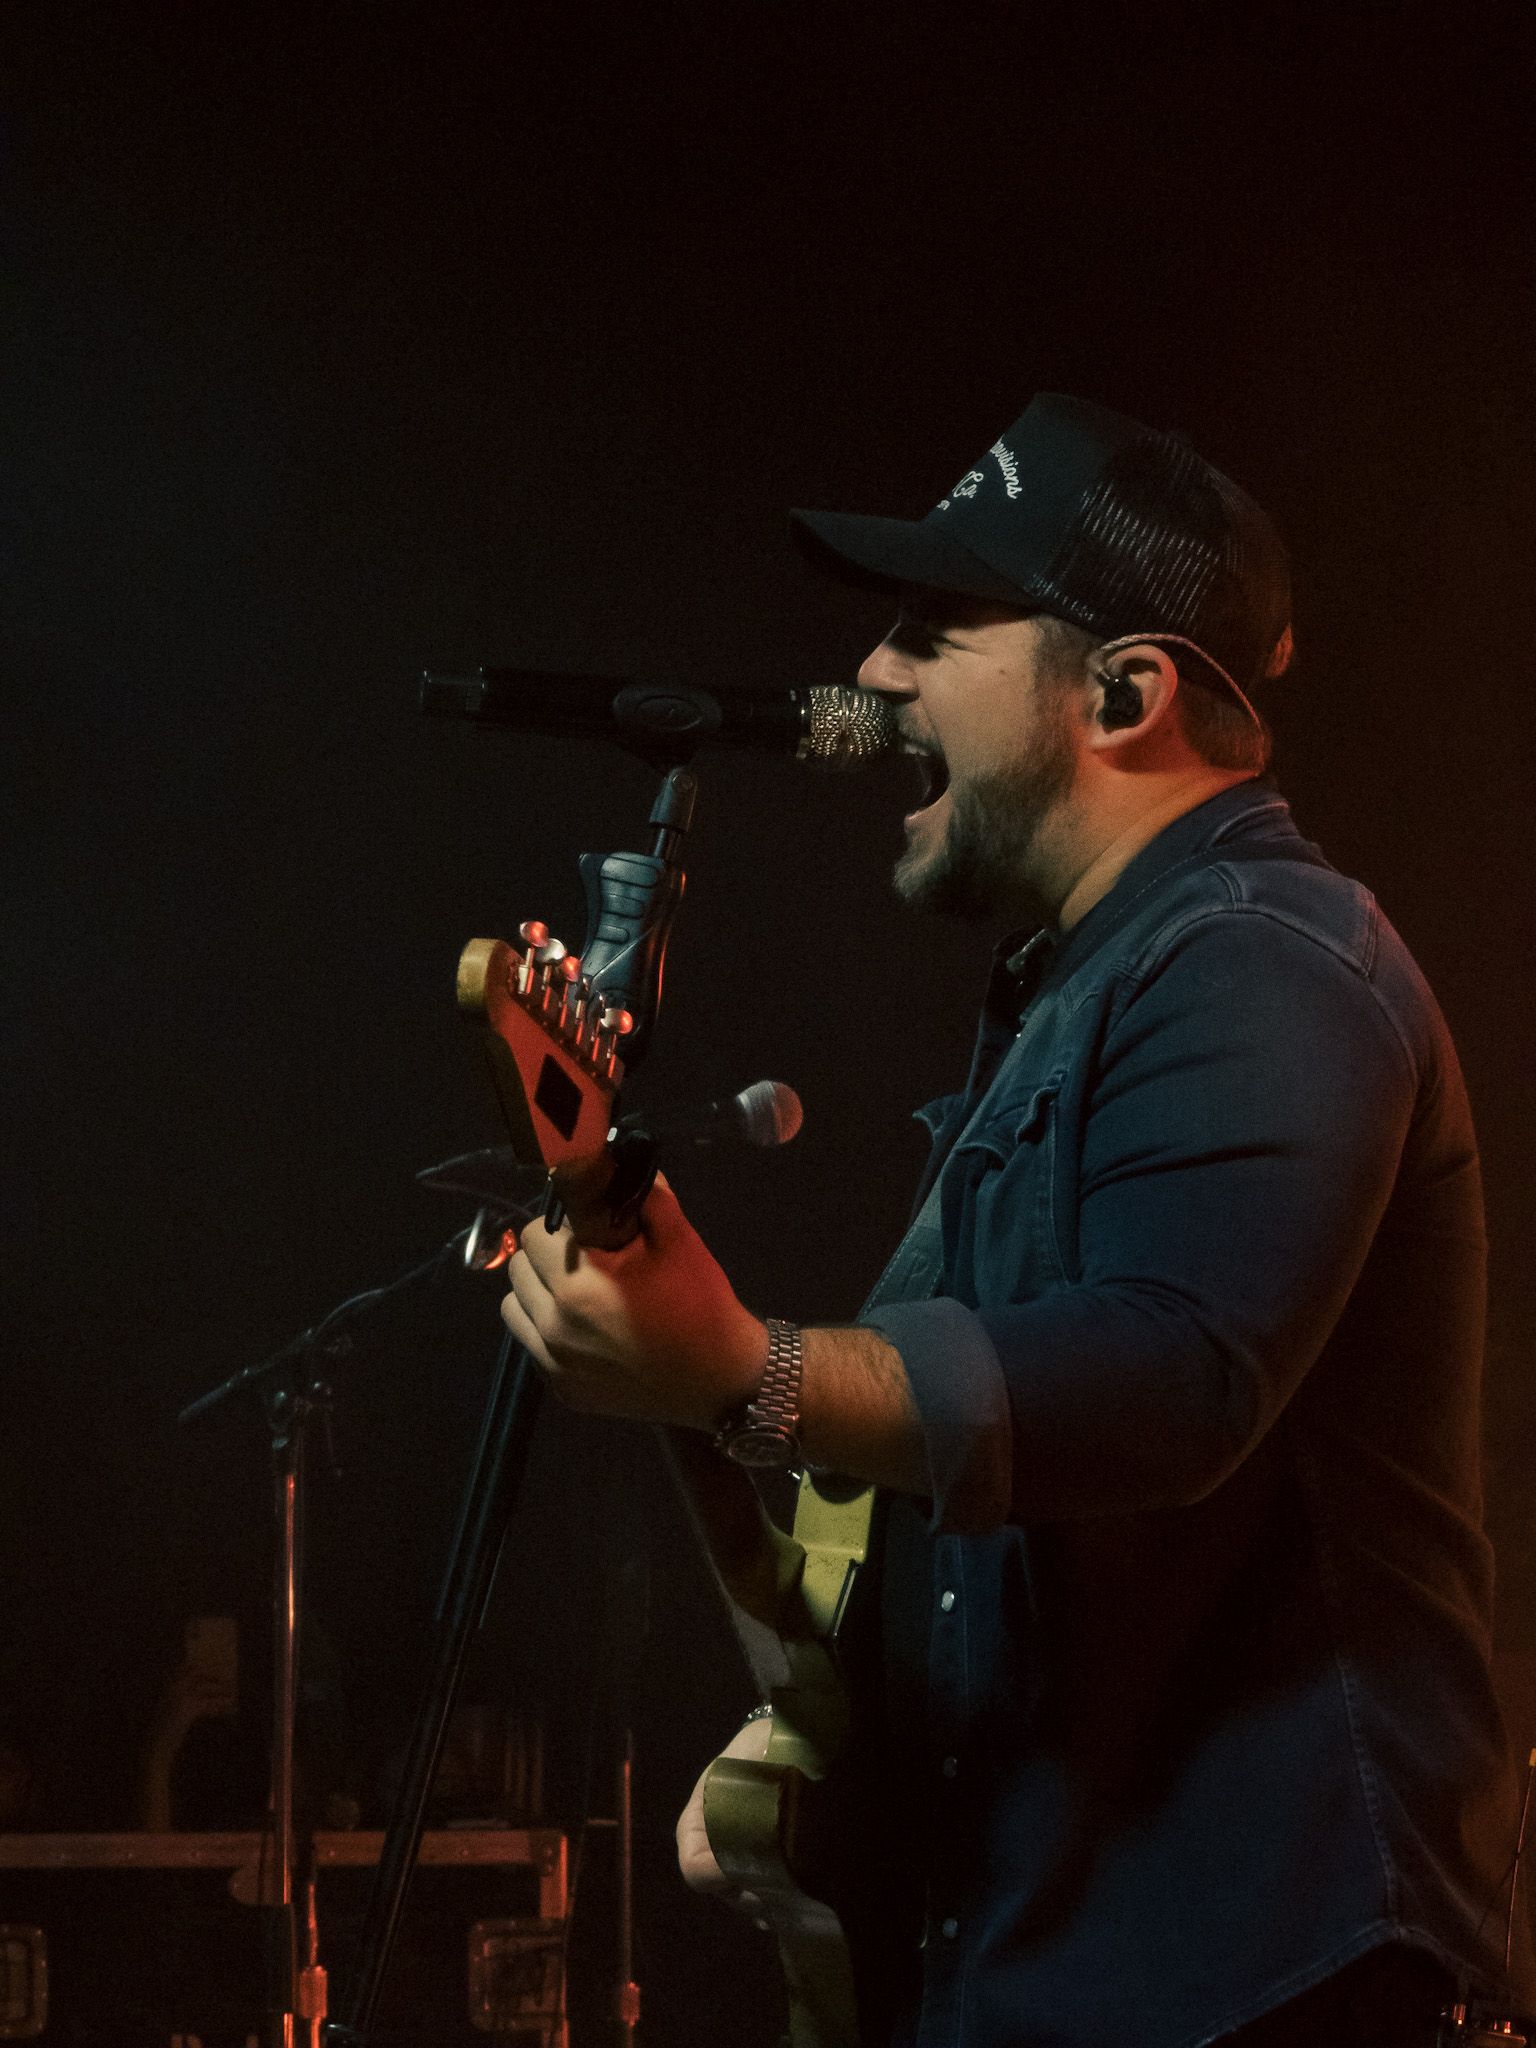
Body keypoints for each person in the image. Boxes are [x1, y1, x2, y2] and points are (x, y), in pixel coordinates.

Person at [501, 394, 1533, 2046]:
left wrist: (748, 1370)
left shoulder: (1270, 955)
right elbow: (1003, 1556)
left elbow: (1172, 1375)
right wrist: (832, 1768)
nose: (877, 681)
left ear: (1122, 694)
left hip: (1261, 1974)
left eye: (932, 632)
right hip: (1064, 1970)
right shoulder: (1067, 1003)